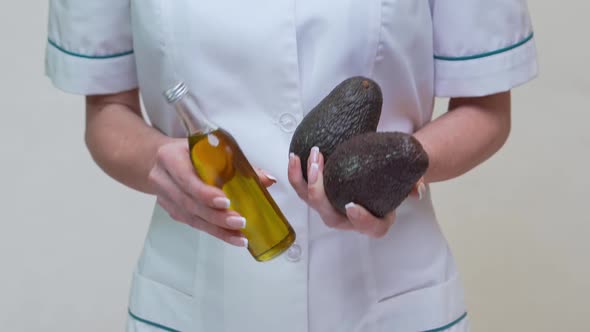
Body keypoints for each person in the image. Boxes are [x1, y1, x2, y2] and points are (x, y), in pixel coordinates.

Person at [45, 0, 538, 331]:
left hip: (390, 300)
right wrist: (160, 163)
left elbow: (485, 108)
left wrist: (394, 173)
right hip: (198, 302)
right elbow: (107, 112)